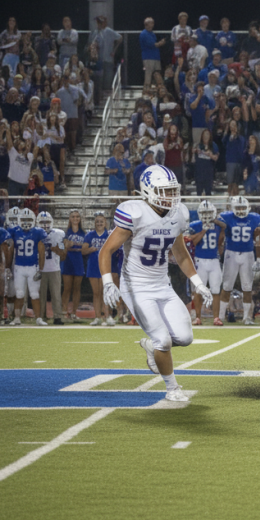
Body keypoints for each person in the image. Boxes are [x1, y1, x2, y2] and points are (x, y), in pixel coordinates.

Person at [98, 166, 213, 402]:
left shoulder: (178, 213)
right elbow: (106, 250)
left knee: (184, 338)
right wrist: (108, 282)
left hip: (162, 284)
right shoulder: (134, 213)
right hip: (136, 287)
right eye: (165, 191)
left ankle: (152, 347)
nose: (171, 196)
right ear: (148, 191)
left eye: (173, 191)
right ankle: (172, 388)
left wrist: (198, 283)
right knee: (164, 340)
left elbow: (180, 254)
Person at [219, 196, 260, 326]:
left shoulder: (255, 218)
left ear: (248, 207)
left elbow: (258, 240)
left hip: (248, 254)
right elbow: (219, 228)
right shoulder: (226, 217)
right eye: (238, 207)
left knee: (247, 287)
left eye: (243, 207)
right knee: (227, 286)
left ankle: (246, 317)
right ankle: (220, 317)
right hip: (231, 253)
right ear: (232, 208)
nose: (241, 210)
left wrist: (259, 258)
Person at [186, 200, 226, 326]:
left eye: (209, 213)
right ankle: (198, 317)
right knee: (198, 290)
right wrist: (203, 231)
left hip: (214, 260)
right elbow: (192, 242)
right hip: (200, 261)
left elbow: (225, 228)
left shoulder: (218, 225)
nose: (207, 215)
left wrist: (215, 222)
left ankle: (216, 318)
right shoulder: (195, 225)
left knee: (215, 290)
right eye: (204, 213)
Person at [8, 210, 47, 326]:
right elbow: (10, 249)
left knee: (34, 294)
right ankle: (17, 318)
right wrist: (8, 267)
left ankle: (38, 318)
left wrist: (41, 269)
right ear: (19, 220)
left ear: (34, 221)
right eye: (24, 220)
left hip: (32, 267)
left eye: (29, 220)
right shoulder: (14, 231)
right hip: (19, 267)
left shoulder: (38, 232)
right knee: (19, 294)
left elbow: (41, 251)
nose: (26, 222)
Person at [81, 212, 114, 326]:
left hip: (106, 266)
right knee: (96, 293)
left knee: (106, 292)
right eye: (97, 222)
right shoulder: (90, 235)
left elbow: (114, 249)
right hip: (93, 266)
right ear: (94, 223)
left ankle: (107, 316)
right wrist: (91, 249)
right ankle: (98, 317)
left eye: (101, 221)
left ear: (105, 223)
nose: (99, 223)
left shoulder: (109, 235)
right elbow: (83, 250)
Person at [60, 209, 86, 322]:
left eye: (77, 217)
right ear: (69, 219)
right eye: (73, 217)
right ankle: (64, 312)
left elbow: (85, 248)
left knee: (77, 288)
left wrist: (73, 245)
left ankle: (74, 312)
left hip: (79, 261)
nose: (75, 219)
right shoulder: (65, 233)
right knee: (67, 288)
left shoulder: (84, 233)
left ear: (80, 219)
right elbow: (64, 247)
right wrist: (75, 246)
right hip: (68, 260)